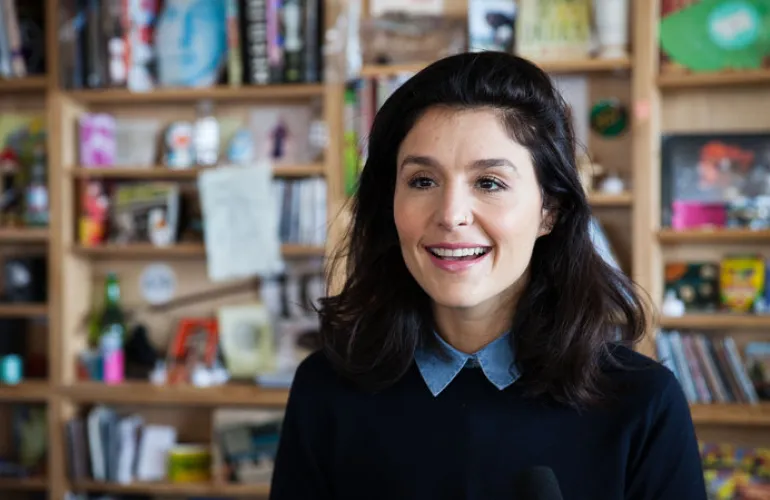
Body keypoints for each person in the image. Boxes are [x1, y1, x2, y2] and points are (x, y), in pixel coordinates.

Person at [269, 52, 706, 500]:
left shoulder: (642, 403)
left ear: (549, 211)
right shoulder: (325, 389)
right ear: (390, 204)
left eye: (489, 183)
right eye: (422, 181)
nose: (451, 215)